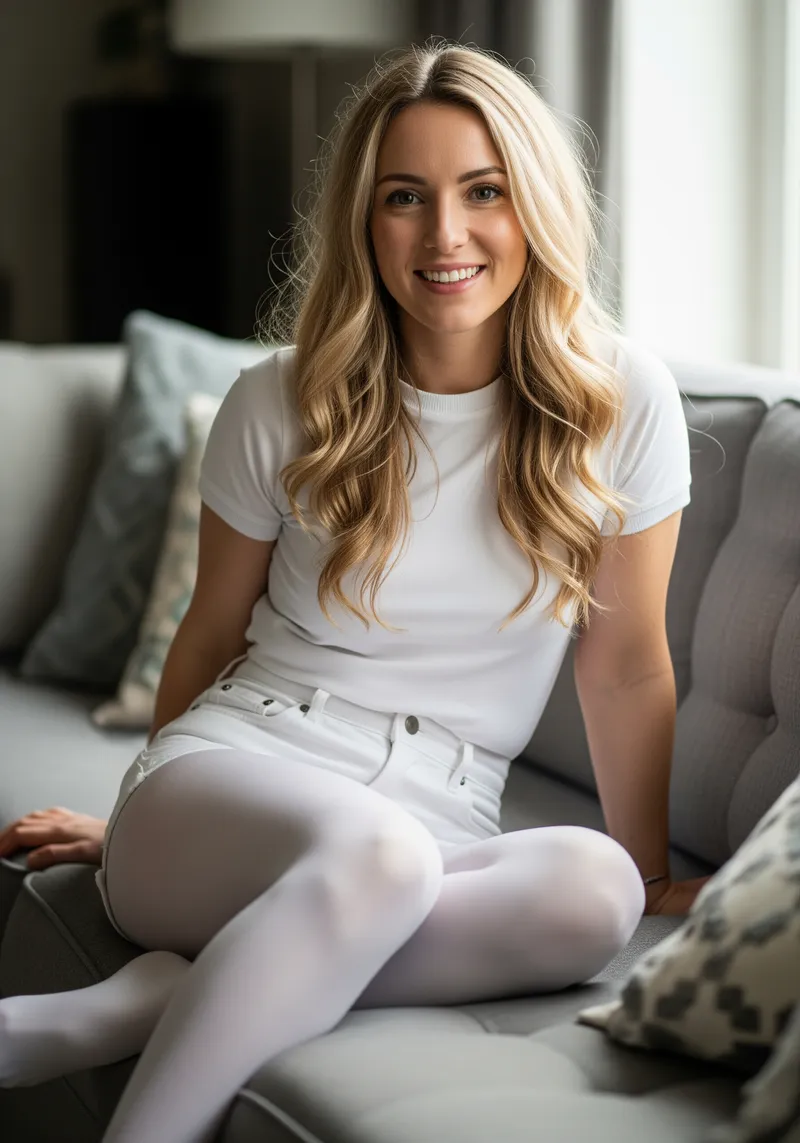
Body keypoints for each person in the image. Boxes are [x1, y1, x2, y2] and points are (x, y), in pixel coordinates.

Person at [0, 40, 708, 1143]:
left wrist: (655, 872)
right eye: (403, 199)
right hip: (240, 771)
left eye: (483, 192)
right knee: (374, 856)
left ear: (535, 207)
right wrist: (145, 823)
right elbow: (209, 631)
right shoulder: (278, 399)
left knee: (593, 888)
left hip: (438, 820)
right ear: (361, 223)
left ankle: (156, 1001)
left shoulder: (623, 402)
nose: (444, 237)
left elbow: (623, 665)